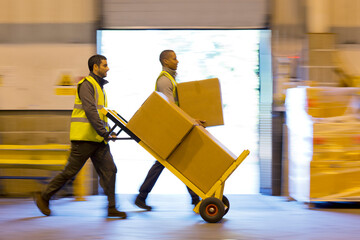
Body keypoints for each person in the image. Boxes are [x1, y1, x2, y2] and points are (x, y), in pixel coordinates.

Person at [34, 54, 126, 219]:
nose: (108, 68)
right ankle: (44, 196)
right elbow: (90, 111)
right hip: (84, 139)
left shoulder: (100, 87)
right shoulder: (86, 85)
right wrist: (104, 132)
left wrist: (108, 131)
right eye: (105, 65)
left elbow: (101, 113)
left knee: (110, 170)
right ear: (95, 67)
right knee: (70, 172)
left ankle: (112, 207)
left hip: (98, 139)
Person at [134, 50, 201, 211]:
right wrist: (192, 121)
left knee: (172, 163)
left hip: (174, 128)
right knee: (170, 162)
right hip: (169, 130)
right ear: (165, 61)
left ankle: (194, 198)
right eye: (174, 58)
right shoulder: (165, 81)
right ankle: (194, 198)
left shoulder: (171, 79)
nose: (177, 61)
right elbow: (171, 109)